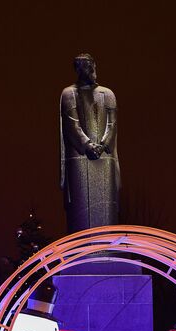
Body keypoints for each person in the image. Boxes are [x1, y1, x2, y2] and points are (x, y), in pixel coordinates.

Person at [59, 53, 120, 233]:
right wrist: (87, 146)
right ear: (77, 70)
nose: (89, 70)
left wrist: (102, 145)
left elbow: (112, 123)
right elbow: (72, 123)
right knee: (81, 212)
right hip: (79, 159)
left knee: (106, 212)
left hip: (105, 158)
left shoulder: (107, 94)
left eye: (91, 66)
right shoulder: (69, 94)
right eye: (83, 67)